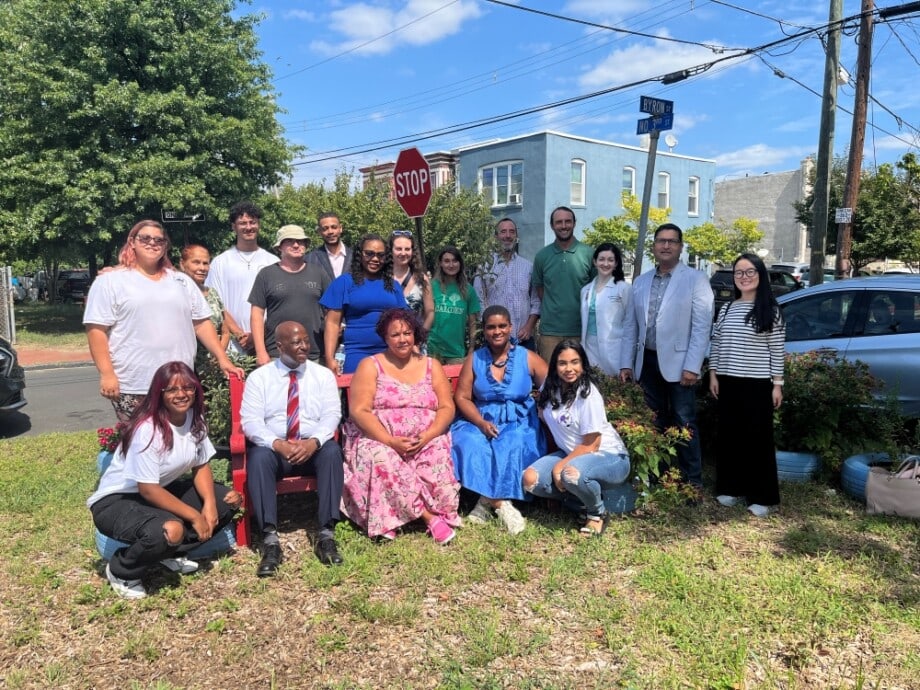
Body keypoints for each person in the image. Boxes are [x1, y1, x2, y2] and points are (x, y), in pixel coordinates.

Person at [87, 361, 241, 599]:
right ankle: (122, 570)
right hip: (117, 501)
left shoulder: (194, 418)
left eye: (188, 388)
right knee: (169, 530)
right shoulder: (147, 429)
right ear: (159, 394)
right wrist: (194, 516)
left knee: (227, 501)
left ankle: (168, 554)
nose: (182, 394)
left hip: (161, 490)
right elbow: (147, 489)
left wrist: (209, 504)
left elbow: (200, 464)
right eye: (172, 390)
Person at [84, 220, 244, 421]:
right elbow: (96, 330)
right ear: (132, 242)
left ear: (166, 246)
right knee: (141, 445)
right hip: (134, 384)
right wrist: (107, 374)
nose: (152, 243)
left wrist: (223, 359)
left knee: (181, 444)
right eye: (145, 238)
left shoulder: (181, 281)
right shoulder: (109, 281)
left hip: (180, 384)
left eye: (159, 240)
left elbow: (202, 323)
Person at [341, 309, 460, 543]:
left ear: (416, 335)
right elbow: (359, 410)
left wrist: (428, 436)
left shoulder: (431, 365)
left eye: (407, 333)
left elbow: (447, 407)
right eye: (395, 335)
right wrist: (390, 440)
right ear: (385, 338)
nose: (402, 339)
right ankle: (429, 518)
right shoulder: (370, 365)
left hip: (426, 437)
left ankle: (393, 513)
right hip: (377, 436)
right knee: (381, 458)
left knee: (437, 459)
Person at [240, 321, 345, 576]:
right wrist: (277, 444)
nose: (304, 347)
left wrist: (314, 442)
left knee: (331, 452)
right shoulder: (259, 378)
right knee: (259, 458)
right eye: (297, 342)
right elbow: (250, 421)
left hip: (312, 448)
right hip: (277, 450)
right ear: (279, 346)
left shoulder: (322, 376)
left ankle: (326, 535)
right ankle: (270, 540)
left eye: (306, 341)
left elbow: (332, 415)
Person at [620, 223, 712, 492]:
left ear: (680, 247)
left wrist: (693, 366)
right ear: (654, 246)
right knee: (654, 421)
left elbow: (701, 326)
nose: (666, 245)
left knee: (684, 422)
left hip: (681, 365)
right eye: (661, 241)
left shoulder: (696, 280)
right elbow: (630, 326)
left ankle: (691, 481)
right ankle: (661, 479)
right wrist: (627, 363)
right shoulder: (641, 281)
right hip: (646, 363)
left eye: (672, 241)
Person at [451, 306, 548, 534]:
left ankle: (485, 502)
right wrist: (480, 423)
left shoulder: (527, 357)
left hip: (519, 420)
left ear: (510, 327)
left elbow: (552, 385)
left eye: (502, 326)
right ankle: (502, 505)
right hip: (480, 418)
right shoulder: (475, 359)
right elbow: (462, 396)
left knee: (515, 443)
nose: (497, 331)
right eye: (491, 327)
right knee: (467, 442)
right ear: (484, 330)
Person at [523, 341, 630, 535]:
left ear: (583, 364)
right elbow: (543, 413)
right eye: (562, 363)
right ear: (555, 365)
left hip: (609, 457)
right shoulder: (550, 385)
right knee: (530, 480)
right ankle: (579, 502)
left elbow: (592, 444)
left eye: (575, 362)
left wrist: (559, 466)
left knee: (570, 474)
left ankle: (597, 513)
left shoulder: (587, 394)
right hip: (573, 454)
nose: (569, 369)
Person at [709, 254, 785, 517]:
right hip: (728, 380)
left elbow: (777, 351)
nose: (744, 277)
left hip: (758, 384)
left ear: (761, 275)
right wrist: (713, 374)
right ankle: (730, 488)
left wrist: (777, 385)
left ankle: (762, 496)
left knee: (758, 440)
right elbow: (717, 343)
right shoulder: (727, 309)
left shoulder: (771, 311)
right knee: (730, 437)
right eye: (738, 273)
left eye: (750, 271)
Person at [320, 233, 407, 375]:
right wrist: (330, 358)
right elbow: (332, 323)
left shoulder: (394, 285)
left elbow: (405, 321)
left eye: (380, 255)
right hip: (356, 352)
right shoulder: (344, 282)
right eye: (369, 254)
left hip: (391, 353)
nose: (375, 259)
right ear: (359, 255)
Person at [249, 225, 330, 365]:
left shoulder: (319, 273)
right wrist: (260, 352)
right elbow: (256, 315)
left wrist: (330, 351)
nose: (296, 245)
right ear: (279, 247)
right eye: (289, 241)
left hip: (314, 353)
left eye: (300, 241)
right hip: (277, 353)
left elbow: (332, 313)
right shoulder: (266, 274)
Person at [206, 201, 279, 354]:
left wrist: (257, 335)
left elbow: (278, 306)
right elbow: (216, 304)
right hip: (231, 346)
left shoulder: (273, 262)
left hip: (268, 344)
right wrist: (239, 334)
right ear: (234, 227)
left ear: (258, 225)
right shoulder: (220, 262)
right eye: (242, 223)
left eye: (252, 222)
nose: (248, 227)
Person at [531, 206, 595, 362]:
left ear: (574, 223)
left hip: (581, 330)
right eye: (559, 222)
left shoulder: (589, 254)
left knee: (579, 379)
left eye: (568, 221)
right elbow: (541, 291)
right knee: (549, 378)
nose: (564, 226)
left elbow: (596, 291)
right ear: (552, 225)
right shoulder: (542, 256)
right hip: (550, 333)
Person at [473, 218, 541, 351]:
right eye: (503, 232)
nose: (508, 236)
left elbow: (536, 301)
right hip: (495, 341)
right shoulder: (485, 267)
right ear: (496, 236)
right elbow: (478, 299)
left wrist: (529, 327)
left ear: (516, 236)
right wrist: (489, 328)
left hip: (523, 340)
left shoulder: (527, 267)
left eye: (512, 232)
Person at [178, 244, 242, 369]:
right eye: (196, 262)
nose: (202, 268)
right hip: (188, 364)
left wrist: (218, 355)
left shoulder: (212, 293)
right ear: (182, 264)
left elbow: (225, 331)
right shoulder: (177, 293)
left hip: (215, 366)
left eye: (205, 263)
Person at [580, 243, 632, 377]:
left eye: (610, 260)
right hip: (589, 349)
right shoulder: (585, 290)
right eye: (601, 259)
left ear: (616, 264)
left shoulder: (623, 288)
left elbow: (630, 324)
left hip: (615, 351)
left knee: (615, 393)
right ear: (595, 262)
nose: (605, 264)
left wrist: (627, 361)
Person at [428, 246, 481, 364]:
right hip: (432, 350)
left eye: (454, 261)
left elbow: (473, 324)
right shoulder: (431, 286)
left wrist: (471, 349)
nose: (451, 265)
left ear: (460, 263)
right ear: (440, 264)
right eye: (446, 261)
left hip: (456, 353)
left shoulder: (469, 290)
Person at [389, 230, 434, 331]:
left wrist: (420, 337)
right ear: (391, 250)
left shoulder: (422, 279)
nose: (403, 253)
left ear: (412, 251)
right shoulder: (381, 277)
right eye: (398, 249)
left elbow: (430, 312)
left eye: (407, 249)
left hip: (414, 340)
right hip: (385, 341)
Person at [307, 212, 352, 281]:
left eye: (334, 227)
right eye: (325, 228)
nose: (330, 231)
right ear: (319, 232)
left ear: (340, 228)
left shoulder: (356, 257)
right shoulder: (310, 259)